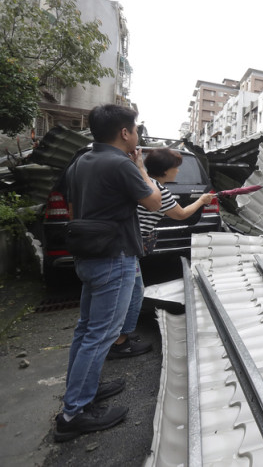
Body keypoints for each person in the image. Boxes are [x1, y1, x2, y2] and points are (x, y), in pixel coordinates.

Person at [54, 105, 161, 442]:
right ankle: (74, 412)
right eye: (136, 130)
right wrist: (142, 169)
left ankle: (85, 389)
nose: (138, 136)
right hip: (114, 257)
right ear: (125, 133)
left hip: (88, 255)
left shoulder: (80, 161)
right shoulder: (120, 164)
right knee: (101, 334)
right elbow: (155, 202)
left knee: (87, 329)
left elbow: (72, 205)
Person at [109, 148, 214, 359]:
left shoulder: (143, 181)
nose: (177, 172)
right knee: (131, 293)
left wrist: (139, 164)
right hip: (126, 248)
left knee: (132, 291)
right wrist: (202, 201)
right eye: (175, 168)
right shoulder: (158, 191)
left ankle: (121, 336)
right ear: (165, 171)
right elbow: (181, 214)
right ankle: (119, 343)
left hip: (122, 243)